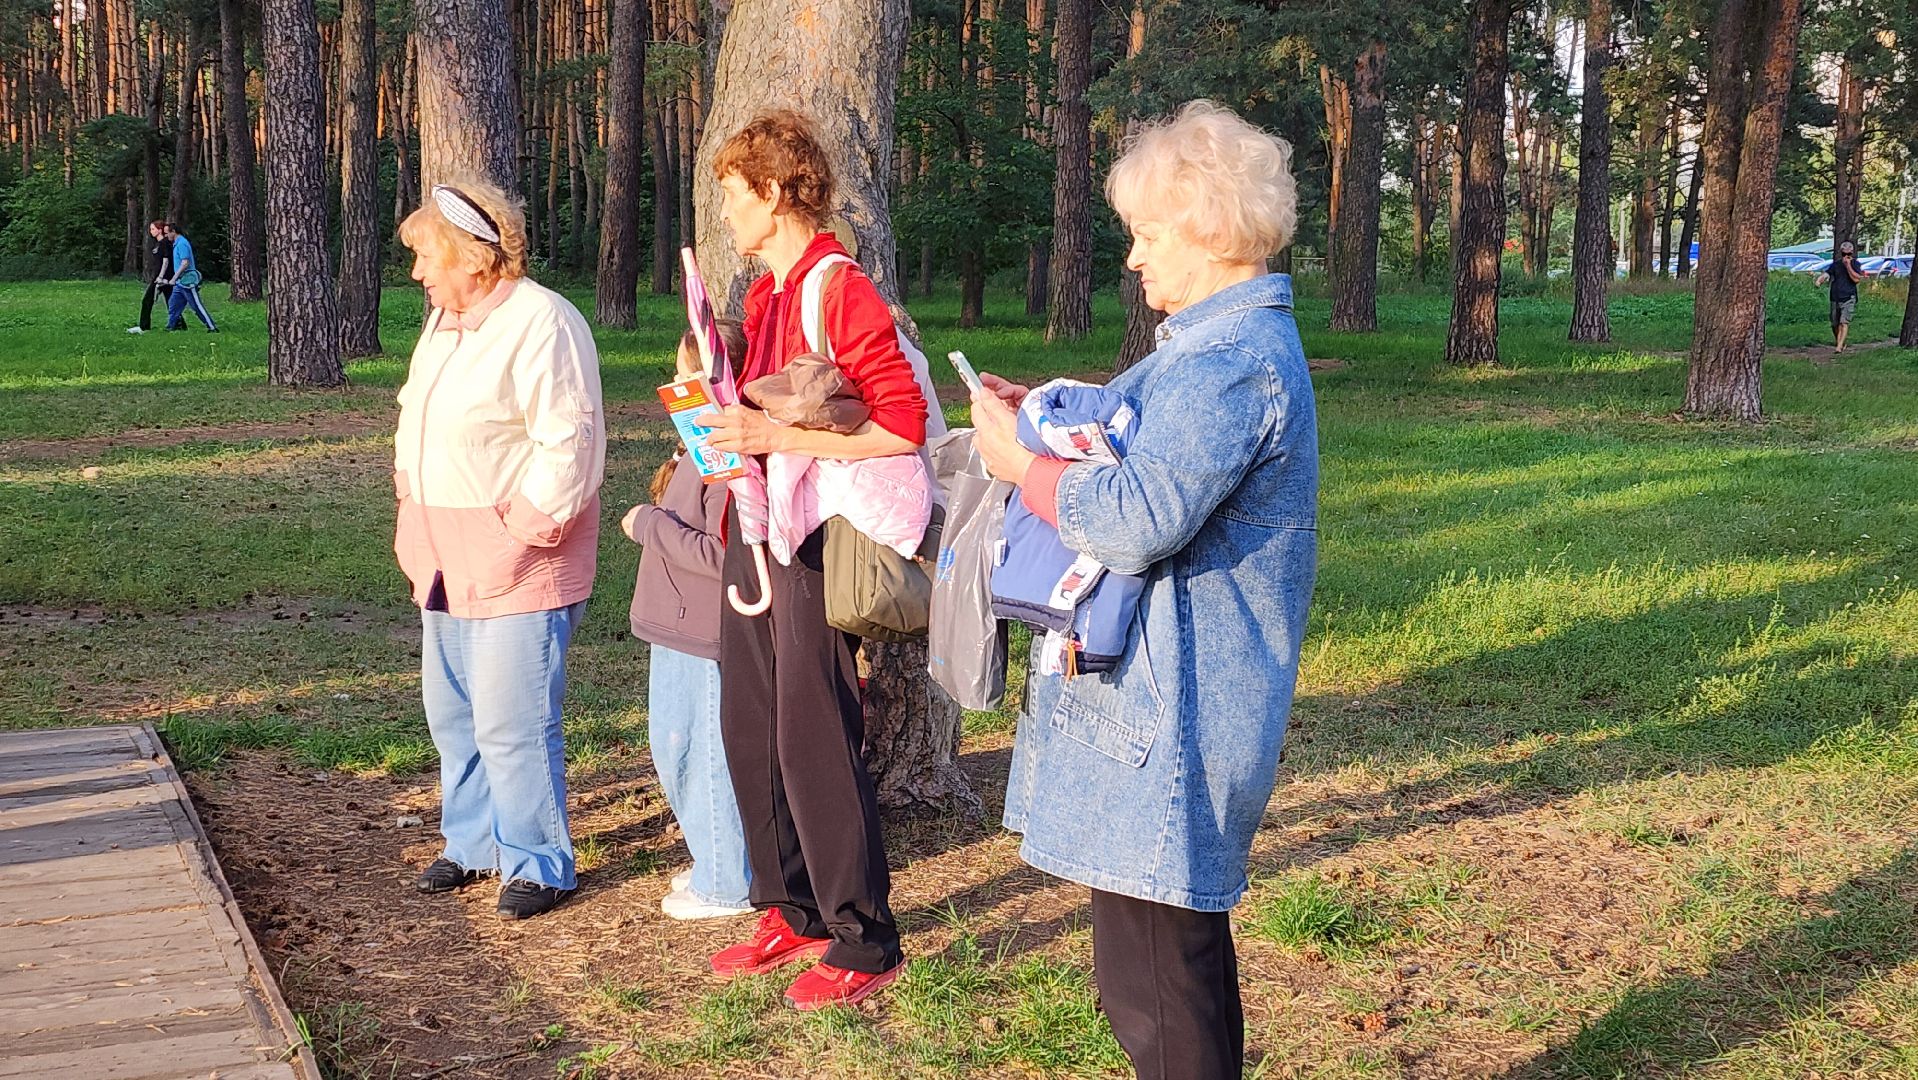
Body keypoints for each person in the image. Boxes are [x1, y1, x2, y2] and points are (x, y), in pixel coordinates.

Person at [969, 100, 1318, 1080]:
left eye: (1146, 234)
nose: (1133, 259)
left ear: (1207, 229)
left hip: (1180, 719)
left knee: (1163, 990)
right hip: (1161, 712)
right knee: (1153, 978)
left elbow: (1133, 517)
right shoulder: (1207, 353)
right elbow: (1132, 447)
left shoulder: (1232, 361)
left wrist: (1016, 469)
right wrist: (1033, 416)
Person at [698, 110, 927, 1011]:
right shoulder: (768, 293)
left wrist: (769, 427)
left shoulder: (839, 288)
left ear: (772, 191)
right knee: (751, 722)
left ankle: (865, 938)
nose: (724, 215)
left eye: (730, 196)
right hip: (762, 528)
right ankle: (789, 906)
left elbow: (901, 424)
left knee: (813, 729)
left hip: (823, 538)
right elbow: (764, 411)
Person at [392, 179, 606, 921]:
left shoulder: (542, 320)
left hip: (518, 559)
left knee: (512, 723)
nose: (417, 272)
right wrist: (408, 499)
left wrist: (521, 533)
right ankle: (474, 843)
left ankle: (539, 863)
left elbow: (569, 443)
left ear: (472, 256)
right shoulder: (446, 323)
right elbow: (414, 416)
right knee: (453, 714)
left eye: (426, 256)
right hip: (444, 554)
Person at [622, 322, 754, 922]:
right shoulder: (695, 446)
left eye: (685, 372)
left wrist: (648, 524)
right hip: (672, 624)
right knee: (673, 748)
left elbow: (722, 554)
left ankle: (726, 880)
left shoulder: (725, 457)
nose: (674, 384)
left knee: (702, 755)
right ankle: (715, 858)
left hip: (703, 630)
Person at [160, 222, 217, 332]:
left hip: (188, 281)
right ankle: (170, 327)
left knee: (196, 306)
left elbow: (185, 263)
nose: (166, 236)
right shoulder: (176, 244)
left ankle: (212, 327)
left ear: (173, 232)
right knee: (173, 305)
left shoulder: (182, 244)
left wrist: (173, 279)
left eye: (167, 233)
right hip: (179, 283)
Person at [1816, 240, 1870, 352]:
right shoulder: (1835, 265)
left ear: (1852, 253)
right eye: (1844, 254)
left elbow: (1856, 279)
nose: (1846, 256)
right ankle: (1840, 342)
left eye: (1848, 254)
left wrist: (1848, 266)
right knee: (1834, 323)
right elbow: (1827, 274)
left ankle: (1839, 347)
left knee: (1843, 322)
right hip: (1835, 297)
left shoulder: (1856, 264)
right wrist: (1819, 280)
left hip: (1849, 297)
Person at [127, 221, 173, 334]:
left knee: (147, 300)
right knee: (171, 302)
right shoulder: (157, 244)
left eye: (153, 229)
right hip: (158, 276)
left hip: (162, 278)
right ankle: (179, 324)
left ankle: (144, 327)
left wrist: (161, 277)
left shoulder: (165, 243)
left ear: (160, 230)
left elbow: (165, 261)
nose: (151, 231)